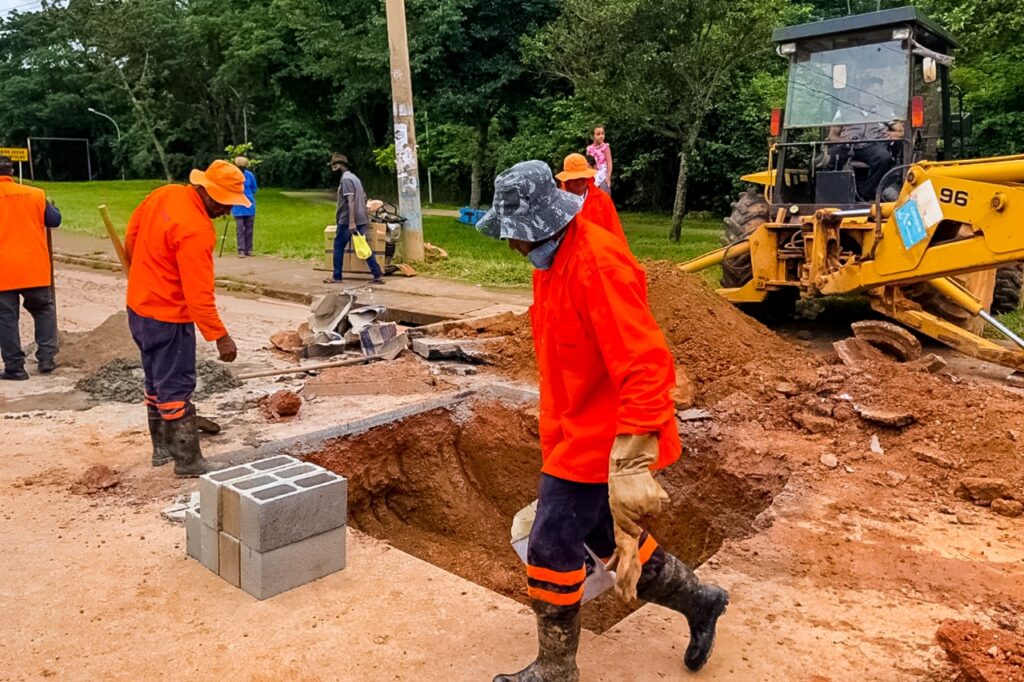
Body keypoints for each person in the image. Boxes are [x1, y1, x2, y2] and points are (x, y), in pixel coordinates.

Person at [477, 160, 729, 681]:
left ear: (542, 224)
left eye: (514, 236)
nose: (511, 247)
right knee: (607, 544)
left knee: (550, 544)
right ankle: (702, 601)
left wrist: (634, 459)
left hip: (604, 439)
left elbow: (646, 364)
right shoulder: (552, 264)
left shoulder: (598, 265)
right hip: (572, 430)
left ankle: (555, 671)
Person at [124, 160, 247, 477]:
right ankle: (188, 461)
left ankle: (161, 450)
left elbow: (132, 235)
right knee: (176, 386)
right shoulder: (195, 229)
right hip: (169, 318)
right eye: (226, 204)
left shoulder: (165, 194)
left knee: (155, 382)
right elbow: (199, 295)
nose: (227, 213)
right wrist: (220, 336)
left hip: (139, 309)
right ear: (210, 194)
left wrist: (142, 272)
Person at [0, 155, 62, 380]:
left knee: (6, 318)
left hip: (3, 271)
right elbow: (54, 220)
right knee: (43, 309)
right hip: (34, 267)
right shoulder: (36, 194)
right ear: (12, 173)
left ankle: (15, 368)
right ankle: (46, 358)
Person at [826, 75, 905, 200]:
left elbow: (901, 132)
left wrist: (893, 134)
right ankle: (829, 194)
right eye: (874, 91)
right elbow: (832, 135)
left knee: (884, 157)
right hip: (848, 145)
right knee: (828, 157)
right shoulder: (844, 110)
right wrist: (843, 141)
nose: (878, 95)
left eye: (879, 92)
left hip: (872, 146)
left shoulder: (886, 111)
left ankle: (865, 194)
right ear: (863, 92)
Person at [324, 153, 385, 285]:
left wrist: (351, 222)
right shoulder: (355, 178)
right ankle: (377, 274)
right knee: (363, 246)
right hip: (361, 218)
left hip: (348, 221)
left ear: (340, 166)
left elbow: (350, 201)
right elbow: (363, 197)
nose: (332, 168)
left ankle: (337, 276)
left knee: (338, 246)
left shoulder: (345, 180)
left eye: (334, 165)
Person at [555, 152, 627, 245]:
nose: (579, 181)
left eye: (582, 177)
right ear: (567, 180)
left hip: (597, 252)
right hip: (569, 254)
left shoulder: (602, 199)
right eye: (574, 178)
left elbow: (615, 231)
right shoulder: (558, 202)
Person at [231, 156, 258, 257]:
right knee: (240, 228)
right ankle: (241, 249)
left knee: (249, 228)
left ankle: (249, 249)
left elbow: (254, 188)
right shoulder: (232, 176)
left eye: (243, 167)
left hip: (249, 205)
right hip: (237, 205)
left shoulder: (250, 175)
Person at [586, 125, 613, 195]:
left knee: (604, 193)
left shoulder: (605, 147)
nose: (601, 136)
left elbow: (609, 163)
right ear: (593, 136)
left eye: (602, 133)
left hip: (603, 175)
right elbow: (587, 164)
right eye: (598, 134)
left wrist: (608, 177)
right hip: (593, 174)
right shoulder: (589, 149)